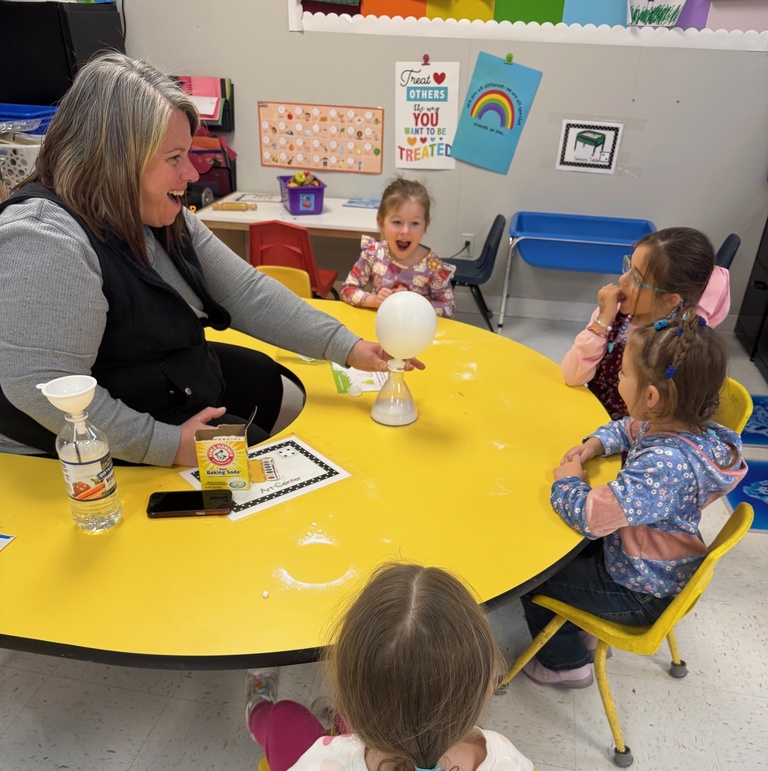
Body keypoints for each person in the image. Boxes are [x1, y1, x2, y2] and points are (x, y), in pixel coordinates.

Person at [0, 54, 419, 467]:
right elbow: (41, 386)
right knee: (248, 454)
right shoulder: (45, 237)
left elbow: (245, 291)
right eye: (174, 159)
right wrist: (163, 444)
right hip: (77, 426)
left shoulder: (154, 212)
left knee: (260, 379)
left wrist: (347, 346)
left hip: (141, 372)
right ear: (115, 161)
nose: (193, 174)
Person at [228, 563, 544, 771]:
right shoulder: (514, 770)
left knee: (283, 718)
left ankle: (259, 706)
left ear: (345, 699)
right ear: (486, 689)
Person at [520, 315, 747, 688]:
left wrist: (568, 483)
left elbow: (591, 517)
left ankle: (565, 664)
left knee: (533, 576)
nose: (618, 379)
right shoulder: (681, 425)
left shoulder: (663, 466)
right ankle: (582, 624)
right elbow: (628, 428)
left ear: (652, 397)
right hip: (655, 564)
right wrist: (596, 444)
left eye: (623, 373)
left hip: (638, 589)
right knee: (564, 552)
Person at [561, 227, 730, 419]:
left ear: (670, 300)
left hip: (636, 436)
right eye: (629, 267)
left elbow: (666, 419)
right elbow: (572, 376)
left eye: (637, 279)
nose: (622, 279)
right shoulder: (612, 315)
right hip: (592, 413)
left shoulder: (677, 342)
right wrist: (601, 323)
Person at [340, 177, 456, 317]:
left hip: (416, 333)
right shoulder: (374, 254)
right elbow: (347, 289)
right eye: (397, 222)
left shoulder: (433, 267)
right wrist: (374, 300)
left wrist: (414, 303)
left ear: (426, 225)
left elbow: (448, 307)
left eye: (414, 223)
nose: (405, 231)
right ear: (381, 223)